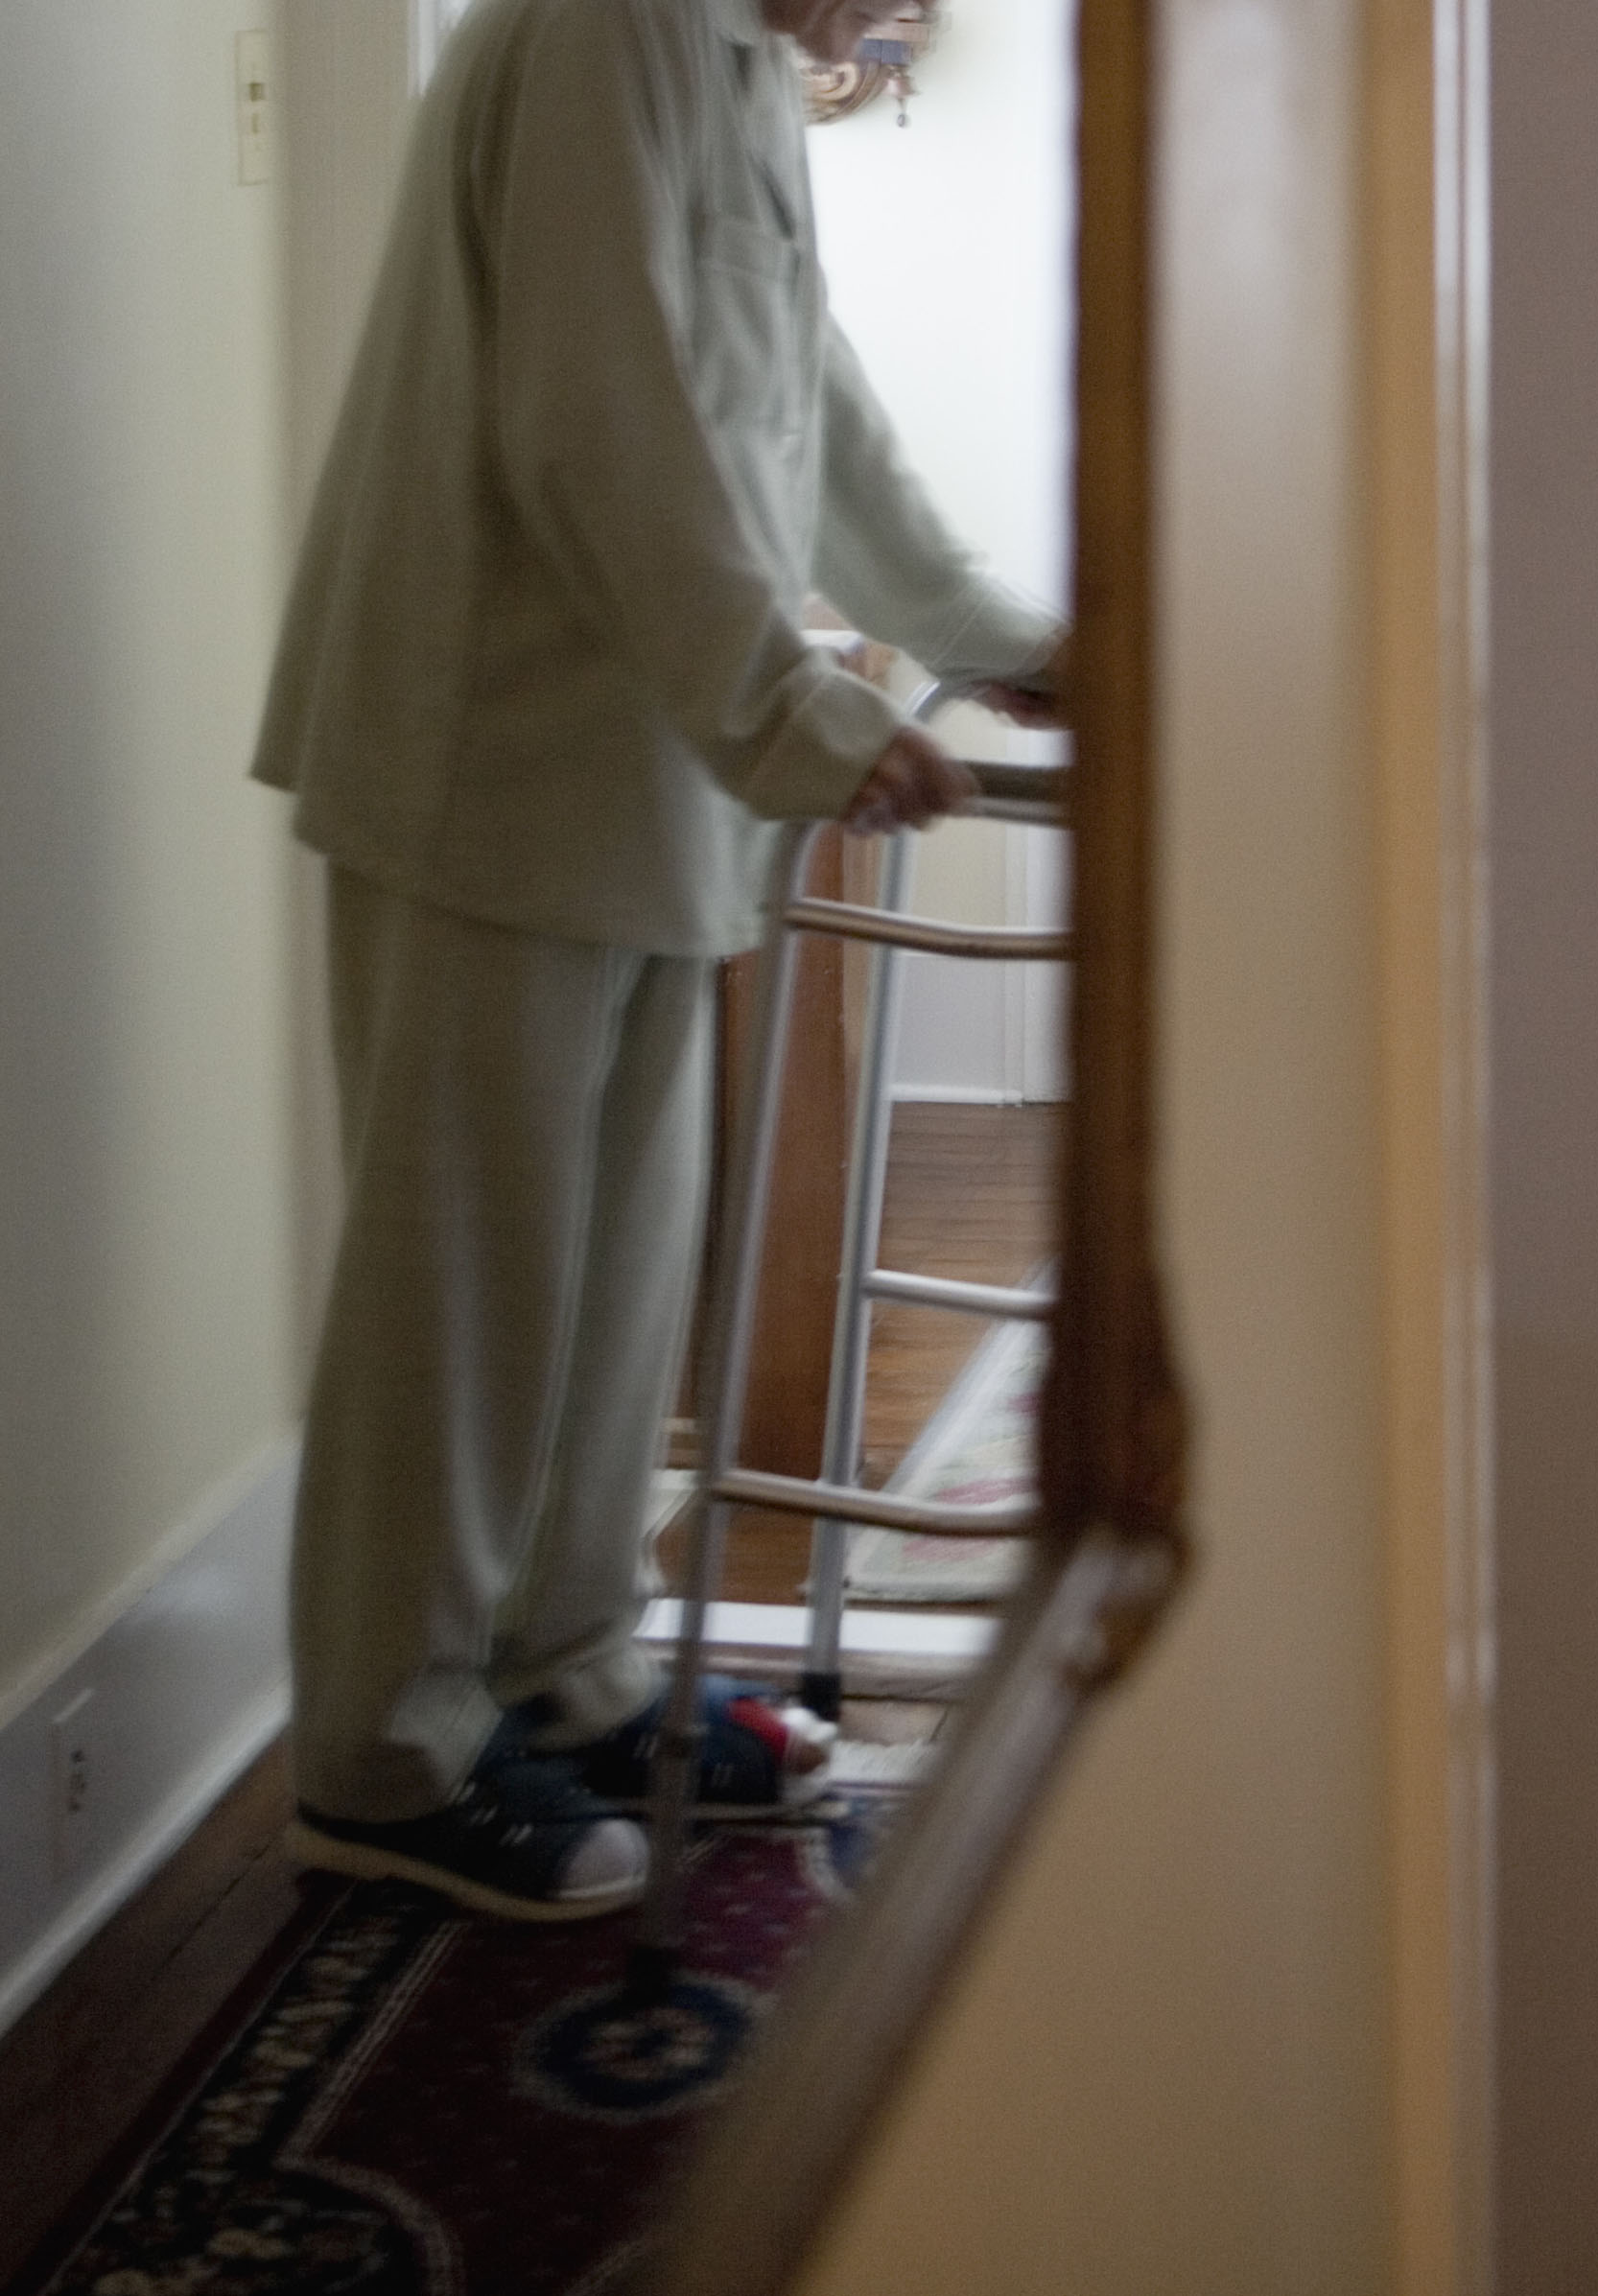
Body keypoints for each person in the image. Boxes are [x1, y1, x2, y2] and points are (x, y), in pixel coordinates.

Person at [251, 0, 1061, 1920]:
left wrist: (979, 627)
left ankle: (570, 1675)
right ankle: (384, 1764)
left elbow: (797, 382)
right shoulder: (598, 29)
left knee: (610, 1287)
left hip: (636, 772)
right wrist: (802, 712)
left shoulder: (724, 58)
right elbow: (602, 418)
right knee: (463, 1300)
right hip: (486, 756)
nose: (892, 19)